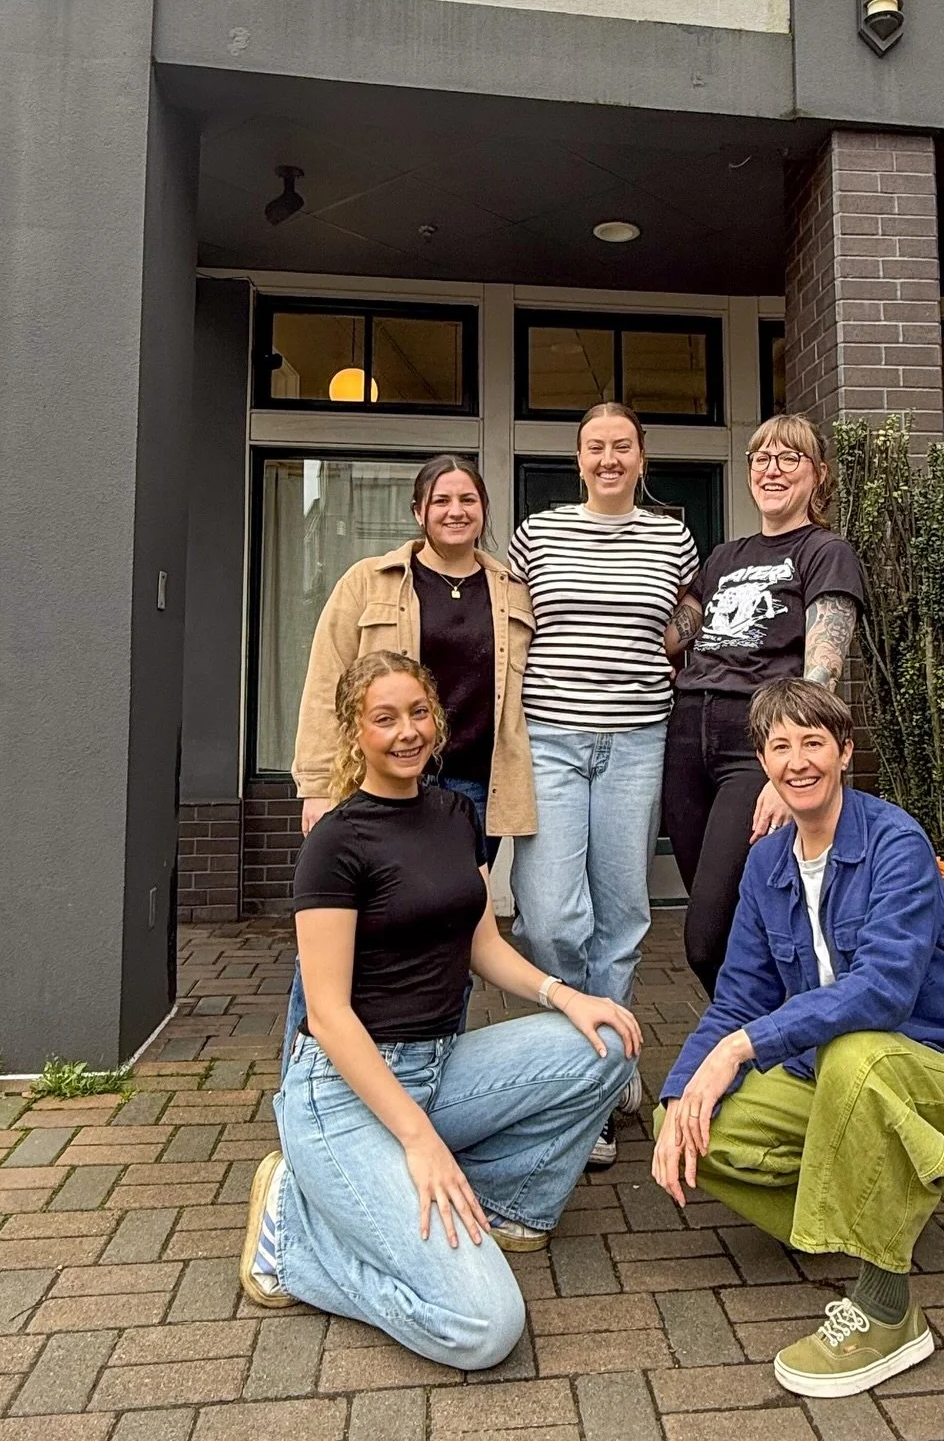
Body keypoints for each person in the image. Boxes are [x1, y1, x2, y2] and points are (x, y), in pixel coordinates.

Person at [241, 650, 639, 1371]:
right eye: (384, 719)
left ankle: (503, 1203)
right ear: (355, 732)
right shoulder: (337, 841)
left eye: (418, 713)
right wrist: (419, 1139)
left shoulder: (456, 813)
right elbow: (327, 1015)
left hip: (438, 1066)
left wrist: (568, 995)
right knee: (483, 1329)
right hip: (343, 1095)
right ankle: (293, 1237)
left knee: (607, 1043)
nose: (406, 732)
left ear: (439, 720)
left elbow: (480, 943)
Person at [651, 681, 944, 1401]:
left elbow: (884, 991)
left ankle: (890, 1314)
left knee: (856, 1049)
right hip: (842, 1080)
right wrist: (682, 1089)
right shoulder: (766, 865)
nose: (798, 762)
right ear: (763, 760)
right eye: (781, 746)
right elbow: (737, 998)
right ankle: (875, 1201)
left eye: (814, 743)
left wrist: (740, 1050)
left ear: (845, 751)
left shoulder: (895, 843)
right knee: (692, 1124)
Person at [284, 455, 535, 1069]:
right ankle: (305, 1079)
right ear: (419, 512)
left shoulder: (509, 589)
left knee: (452, 930)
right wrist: (316, 787)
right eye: (442, 500)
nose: (456, 511)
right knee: (342, 940)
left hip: (470, 787)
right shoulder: (369, 581)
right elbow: (325, 684)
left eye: (468, 501)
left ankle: (434, 1072)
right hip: (376, 785)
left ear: (483, 511)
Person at [508, 401, 698, 1166]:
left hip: (635, 739)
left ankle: (604, 1082)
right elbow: (512, 622)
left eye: (622, 446)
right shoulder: (539, 533)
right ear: (579, 459)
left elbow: (686, 615)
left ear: (642, 458)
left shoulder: (671, 535)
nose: (609, 458)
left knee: (621, 914)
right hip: (549, 740)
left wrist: (668, 650)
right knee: (552, 917)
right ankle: (577, 1059)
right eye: (596, 447)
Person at [661, 413, 866, 994]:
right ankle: (764, 1045)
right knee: (734, 922)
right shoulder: (726, 555)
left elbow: (821, 673)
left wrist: (787, 770)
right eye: (761, 459)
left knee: (706, 934)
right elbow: (678, 634)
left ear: (817, 474)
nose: (771, 470)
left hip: (754, 743)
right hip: (687, 737)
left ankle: (769, 1034)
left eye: (789, 458)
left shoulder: (825, 551)